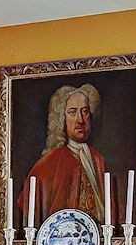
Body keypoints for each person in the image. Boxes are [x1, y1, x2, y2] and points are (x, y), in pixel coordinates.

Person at [22, 84, 110, 220]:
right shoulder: (49, 163)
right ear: (61, 118)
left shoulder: (98, 160)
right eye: (72, 112)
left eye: (85, 111)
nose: (80, 120)